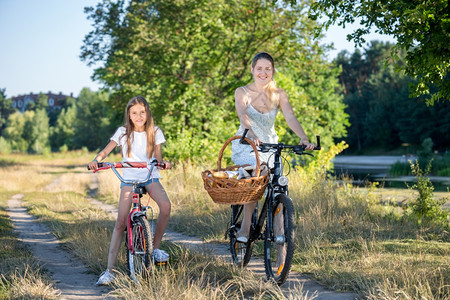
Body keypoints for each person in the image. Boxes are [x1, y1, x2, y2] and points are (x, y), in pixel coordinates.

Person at [231, 52, 315, 243]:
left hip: (270, 144)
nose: (263, 73)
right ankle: (244, 228)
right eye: (259, 68)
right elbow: (243, 114)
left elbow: (290, 117)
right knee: (257, 176)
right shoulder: (242, 91)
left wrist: (303, 137)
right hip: (248, 143)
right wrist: (251, 132)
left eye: (267, 69)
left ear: (273, 71)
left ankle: (279, 234)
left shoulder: (279, 94)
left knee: (279, 187)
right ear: (252, 70)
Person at [88, 96, 172, 285]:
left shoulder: (155, 132)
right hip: (128, 179)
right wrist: (97, 159)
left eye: (142, 112)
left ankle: (154, 249)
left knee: (166, 206)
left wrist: (164, 163)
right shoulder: (123, 132)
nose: (139, 116)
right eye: (134, 113)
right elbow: (105, 151)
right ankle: (109, 271)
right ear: (129, 115)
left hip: (149, 175)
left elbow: (158, 157)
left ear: (148, 112)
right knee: (120, 222)